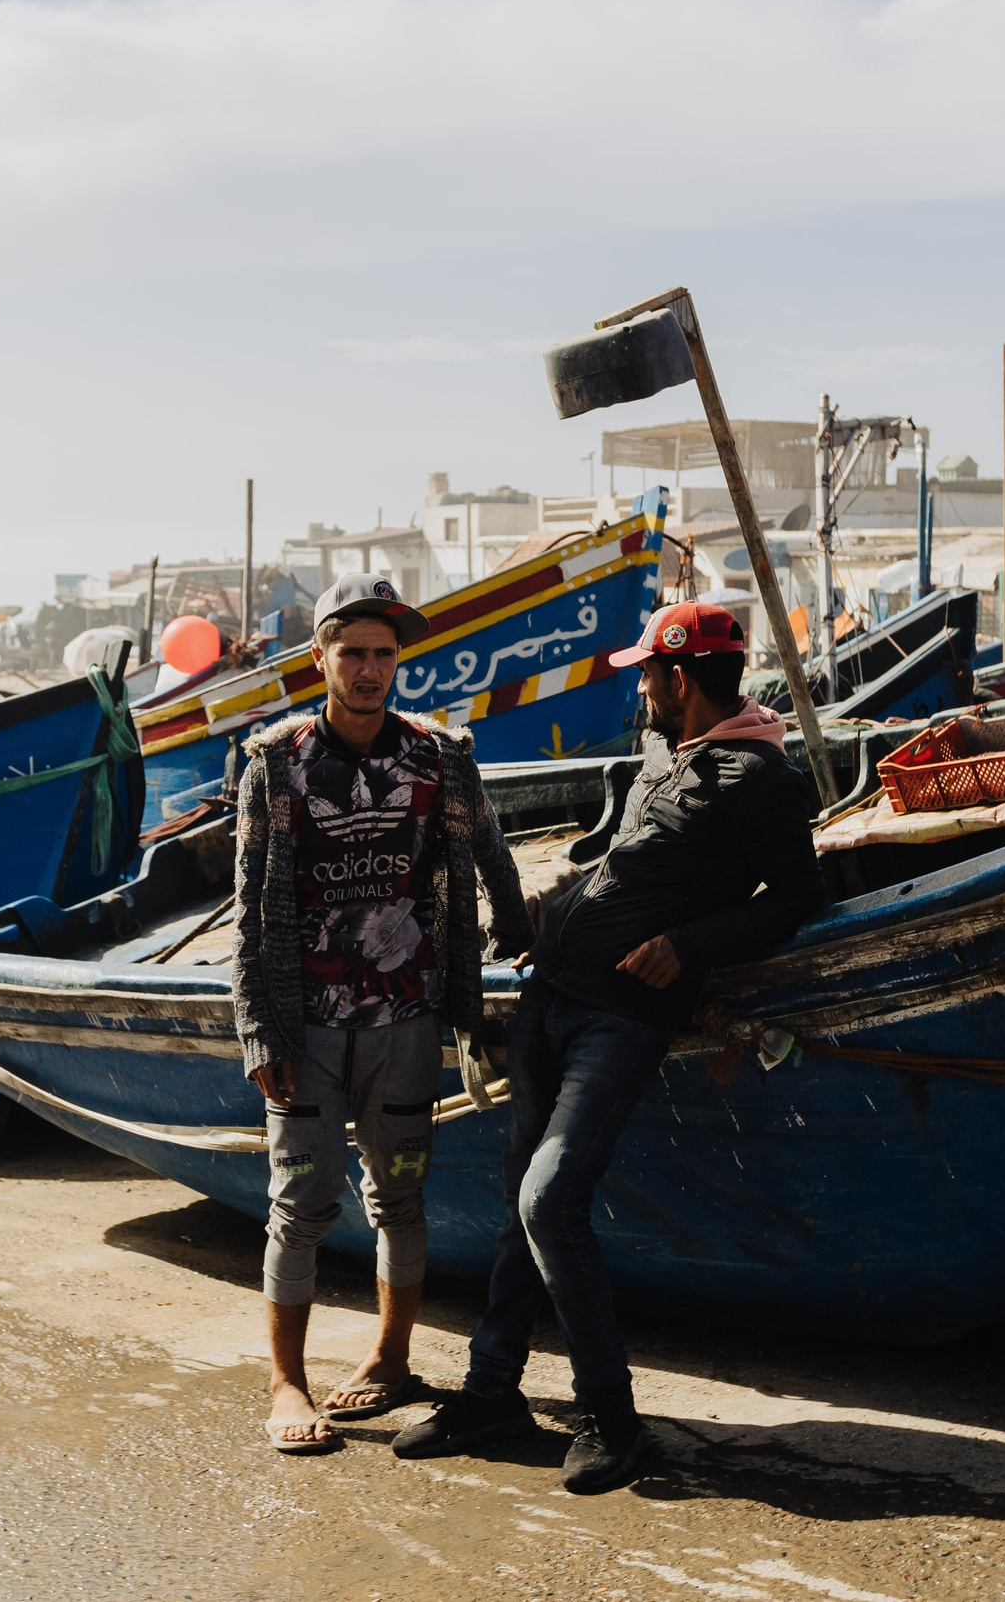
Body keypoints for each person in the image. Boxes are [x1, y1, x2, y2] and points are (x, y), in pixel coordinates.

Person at [393, 600, 827, 1493]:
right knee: (520, 1201)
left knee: (550, 1200)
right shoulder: (666, 755)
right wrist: (556, 906)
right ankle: (490, 1393)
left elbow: (796, 895)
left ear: (682, 678)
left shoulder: (760, 778)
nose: (641, 689)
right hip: (551, 998)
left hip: (621, 1018)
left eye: (648, 674)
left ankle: (610, 1418)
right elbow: (624, 863)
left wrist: (691, 945)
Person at [232, 572, 534, 1454]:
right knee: (301, 1203)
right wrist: (259, 1030)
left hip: (407, 1020)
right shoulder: (275, 764)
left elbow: (492, 855)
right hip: (307, 1026)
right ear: (320, 656)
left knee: (399, 1194)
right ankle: (287, 1382)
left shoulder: (439, 756)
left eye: (384, 654)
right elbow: (250, 910)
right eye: (353, 652)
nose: (369, 670)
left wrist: (524, 945)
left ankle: (392, 1357)